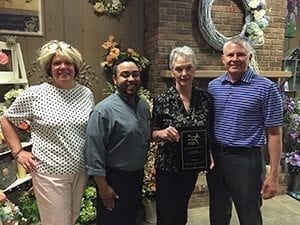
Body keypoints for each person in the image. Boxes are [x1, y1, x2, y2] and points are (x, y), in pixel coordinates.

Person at [0, 40, 94, 225]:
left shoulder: (86, 93)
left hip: (80, 171)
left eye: (68, 63)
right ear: (49, 68)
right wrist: (18, 152)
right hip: (50, 173)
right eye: (57, 63)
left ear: (75, 67)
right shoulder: (36, 94)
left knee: (73, 218)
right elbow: (6, 119)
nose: (63, 67)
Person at [207, 37, 283, 225]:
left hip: (246, 161)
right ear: (223, 59)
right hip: (217, 160)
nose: (235, 59)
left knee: (249, 215)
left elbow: (274, 133)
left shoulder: (266, 88)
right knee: (218, 213)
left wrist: (273, 174)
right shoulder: (213, 86)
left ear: (249, 57)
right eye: (230, 55)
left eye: (240, 54)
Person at [84, 57, 151, 225]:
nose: (131, 79)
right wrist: (103, 187)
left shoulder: (143, 106)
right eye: (125, 75)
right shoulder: (103, 111)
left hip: (136, 177)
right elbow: (93, 151)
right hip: (114, 179)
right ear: (115, 79)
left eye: (135, 75)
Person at [151, 46, 214, 225]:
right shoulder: (161, 100)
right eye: (179, 69)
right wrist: (161, 133)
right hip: (167, 167)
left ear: (195, 69)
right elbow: (151, 133)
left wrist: (208, 153)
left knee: (181, 212)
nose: (184, 73)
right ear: (172, 71)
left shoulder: (206, 99)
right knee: (165, 214)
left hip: (191, 166)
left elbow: (208, 131)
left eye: (188, 67)